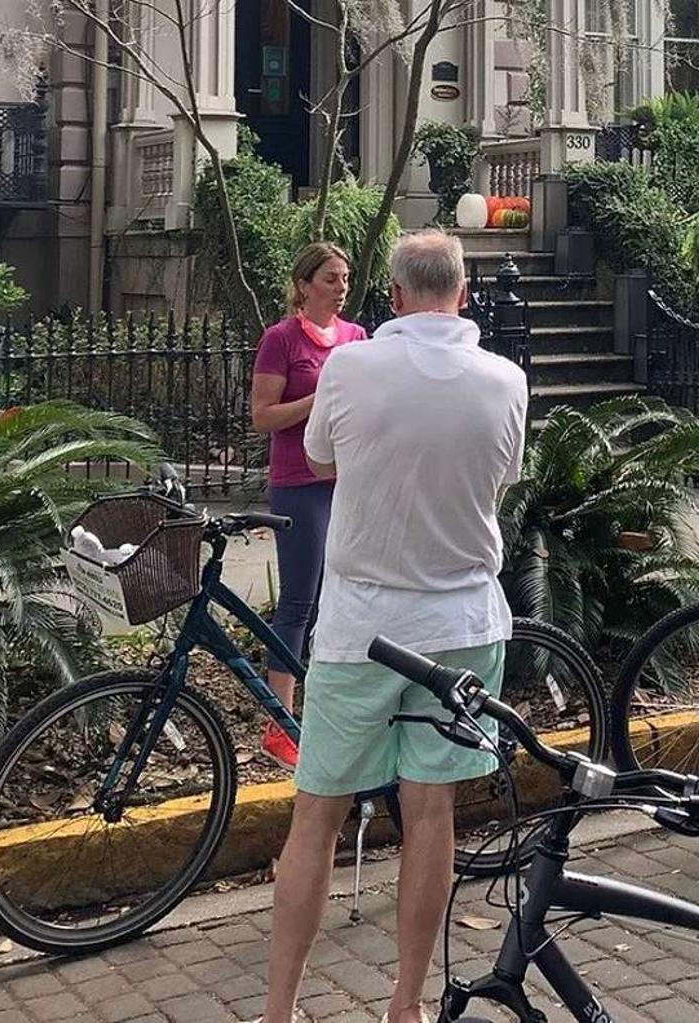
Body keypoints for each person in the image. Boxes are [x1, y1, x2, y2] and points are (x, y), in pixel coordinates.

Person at [260, 229, 528, 1023]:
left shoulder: (350, 365)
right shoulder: (505, 380)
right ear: (465, 294)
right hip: (462, 621)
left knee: (318, 808)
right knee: (431, 811)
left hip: (362, 626)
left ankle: (280, 1010)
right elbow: (500, 479)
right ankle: (405, 1002)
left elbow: (321, 457)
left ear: (397, 298)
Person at [248, 242, 370, 770]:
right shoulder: (281, 340)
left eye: (344, 279)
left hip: (349, 478)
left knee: (343, 594)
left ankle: (331, 707)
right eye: (329, 279)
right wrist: (318, 402)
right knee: (299, 599)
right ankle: (279, 722)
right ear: (303, 285)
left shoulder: (356, 339)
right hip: (299, 481)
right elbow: (263, 417)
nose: (340, 288)